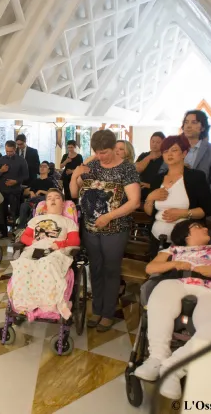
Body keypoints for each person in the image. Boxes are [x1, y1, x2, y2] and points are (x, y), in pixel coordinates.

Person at [134, 220, 211, 399]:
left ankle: (175, 367)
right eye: (198, 226)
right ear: (186, 235)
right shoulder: (173, 250)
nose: (205, 228)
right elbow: (151, 268)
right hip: (178, 282)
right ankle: (157, 356)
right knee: (160, 295)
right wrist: (174, 264)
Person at [71, 130, 141, 332]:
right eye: (98, 152)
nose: (102, 156)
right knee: (95, 268)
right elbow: (77, 191)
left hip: (115, 229)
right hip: (91, 228)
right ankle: (97, 310)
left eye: (105, 152)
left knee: (110, 270)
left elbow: (134, 202)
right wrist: (79, 172)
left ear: (114, 148)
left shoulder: (127, 169)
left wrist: (108, 217)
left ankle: (108, 314)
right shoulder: (92, 165)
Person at [9, 189, 81, 319]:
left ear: (63, 203)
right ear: (45, 203)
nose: (53, 200)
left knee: (47, 264)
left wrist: (59, 244)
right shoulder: (36, 220)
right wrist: (33, 241)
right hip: (35, 248)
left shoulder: (68, 222)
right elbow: (24, 237)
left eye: (57, 197)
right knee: (22, 264)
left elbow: (75, 240)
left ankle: (49, 303)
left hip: (56, 251)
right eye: (49, 198)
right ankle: (26, 302)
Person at [144, 135, 211, 259]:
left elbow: (207, 209)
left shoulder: (196, 177)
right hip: (157, 238)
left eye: (174, 150)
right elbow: (150, 212)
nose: (169, 154)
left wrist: (183, 213)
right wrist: (150, 197)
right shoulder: (157, 179)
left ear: (184, 153)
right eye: (165, 151)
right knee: (157, 275)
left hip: (186, 240)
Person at [168, 110, 211, 207]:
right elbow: (162, 172)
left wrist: (199, 198)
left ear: (203, 127)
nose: (188, 126)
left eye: (194, 122)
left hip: (201, 205)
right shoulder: (173, 149)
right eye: (186, 122)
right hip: (173, 201)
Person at [0, 140, 28, 238]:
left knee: (14, 212)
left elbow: (26, 176)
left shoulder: (21, 160)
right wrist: (1, 171)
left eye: (10, 151)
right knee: (2, 212)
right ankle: (3, 233)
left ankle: (15, 233)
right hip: (2, 190)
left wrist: (15, 181)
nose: (8, 153)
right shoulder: (1, 159)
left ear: (15, 149)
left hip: (15, 190)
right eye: (7, 151)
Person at [17, 162, 56, 229]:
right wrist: (31, 192)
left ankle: (32, 227)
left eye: (44, 166)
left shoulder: (51, 181)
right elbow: (25, 193)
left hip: (44, 201)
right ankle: (21, 228)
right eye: (41, 166)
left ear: (48, 170)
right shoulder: (34, 181)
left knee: (39, 202)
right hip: (32, 200)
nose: (42, 168)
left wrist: (41, 191)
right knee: (24, 205)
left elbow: (54, 193)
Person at [136, 132, 165, 201]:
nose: (154, 144)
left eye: (158, 142)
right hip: (140, 191)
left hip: (157, 191)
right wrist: (149, 157)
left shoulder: (165, 158)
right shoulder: (143, 155)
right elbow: (136, 170)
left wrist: (150, 185)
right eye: (153, 141)